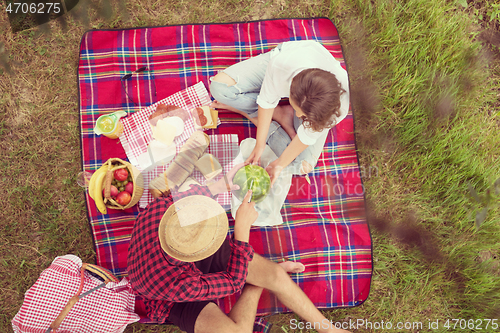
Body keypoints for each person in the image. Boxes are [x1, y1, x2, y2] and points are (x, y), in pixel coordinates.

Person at [127, 163, 351, 333]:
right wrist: (242, 230)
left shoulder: (162, 208)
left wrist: (224, 183)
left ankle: (328, 328)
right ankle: (255, 287)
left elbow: (191, 197)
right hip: (172, 297)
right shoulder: (180, 286)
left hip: (180, 255)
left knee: (273, 275)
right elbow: (233, 282)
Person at [210, 40, 349, 187]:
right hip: (287, 63)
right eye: (296, 110)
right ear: (290, 87)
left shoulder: (338, 109)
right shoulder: (282, 66)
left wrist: (279, 165)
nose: (298, 116)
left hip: (314, 98)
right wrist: (260, 143)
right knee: (220, 89)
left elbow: (307, 136)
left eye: (302, 116)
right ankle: (278, 114)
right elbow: (266, 102)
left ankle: (255, 114)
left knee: (303, 166)